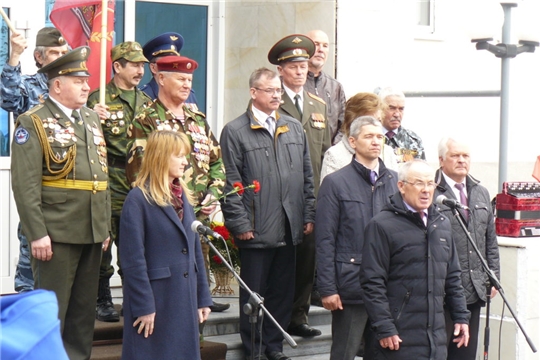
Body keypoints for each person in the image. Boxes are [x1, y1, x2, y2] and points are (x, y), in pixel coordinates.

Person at [11, 46, 111, 360]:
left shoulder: (92, 119)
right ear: (57, 85)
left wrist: (104, 226)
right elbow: (25, 185)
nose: (86, 86)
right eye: (79, 80)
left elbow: (101, 177)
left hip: (92, 229)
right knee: (52, 312)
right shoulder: (34, 122)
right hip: (56, 233)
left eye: (87, 80)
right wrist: (37, 232)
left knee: (83, 315)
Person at [219, 67, 316, 360]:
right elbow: (230, 182)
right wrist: (239, 223)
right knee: (254, 295)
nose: (276, 96)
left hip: (289, 225)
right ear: (253, 93)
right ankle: (254, 350)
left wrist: (307, 214)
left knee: (282, 293)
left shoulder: (293, 127)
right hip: (255, 226)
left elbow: (306, 176)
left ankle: (274, 347)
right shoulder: (235, 131)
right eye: (270, 90)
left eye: (278, 90)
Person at [126, 55, 229, 313]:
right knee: (168, 298)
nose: (187, 85)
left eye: (190, 80)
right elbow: (140, 170)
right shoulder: (146, 119)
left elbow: (217, 163)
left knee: (196, 295)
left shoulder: (197, 117)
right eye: (181, 79)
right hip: (163, 219)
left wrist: (212, 195)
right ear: (161, 78)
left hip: (195, 217)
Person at [361, 160, 470, 360]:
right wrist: (385, 327)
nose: (426, 190)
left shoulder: (442, 224)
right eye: (419, 183)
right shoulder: (381, 226)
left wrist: (461, 317)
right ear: (401, 186)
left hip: (435, 339)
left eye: (430, 184)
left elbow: (453, 277)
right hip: (398, 337)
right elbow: (372, 282)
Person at [119, 130, 212, 360]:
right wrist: (143, 305)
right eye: (178, 156)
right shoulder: (138, 199)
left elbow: (194, 251)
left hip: (184, 298)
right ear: (160, 157)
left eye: (185, 156)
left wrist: (203, 296)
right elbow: (132, 259)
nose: (185, 162)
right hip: (156, 301)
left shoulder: (183, 197)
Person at [315, 116, 398, 360]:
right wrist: (328, 288)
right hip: (351, 284)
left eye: (379, 137)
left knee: (382, 352)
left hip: (388, 284)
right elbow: (325, 239)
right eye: (368, 136)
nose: (375, 142)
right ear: (352, 141)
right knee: (345, 352)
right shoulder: (335, 183)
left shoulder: (395, 182)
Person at [268, 33, 330, 338]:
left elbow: (325, 151)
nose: (300, 70)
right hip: (279, 196)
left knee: (307, 258)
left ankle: (298, 315)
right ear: (281, 70)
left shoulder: (318, 105)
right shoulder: (271, 103)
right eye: (293, 66)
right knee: (281, 262)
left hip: (311, 195)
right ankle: (276, 318)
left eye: (304, 65)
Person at [87, 41, 153, 322]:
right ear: (117, 66)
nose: (140, 70)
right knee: (105, 240)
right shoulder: (98, 99)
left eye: (142, 65)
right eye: (135, 64)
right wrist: (91, 116)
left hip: (139, 182)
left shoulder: (148, 102)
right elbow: (86, 140)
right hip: (109, 178)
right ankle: (102, 299)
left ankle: (134, 297)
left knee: (135, 243)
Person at [1, 27, 69, 293]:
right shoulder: (31, 87)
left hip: (70, 191)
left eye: (65, 52)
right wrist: (15, 55)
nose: (61, 57)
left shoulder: (77, 89)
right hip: (40, 187)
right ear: (39, 57)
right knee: (34, 259)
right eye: (54, 53)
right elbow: (8, 96)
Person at [434, 137, 500, 360]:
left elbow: (489, 239)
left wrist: (493, 275)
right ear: (442, 160)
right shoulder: (432, 192)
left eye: (465, 156)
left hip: (473, 288)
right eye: (455, 156)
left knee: (465, 354)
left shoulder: (480, 191)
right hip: (440, 291)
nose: (461, 160)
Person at [321, 92, 398, 181]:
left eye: (378, 120)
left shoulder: (388, 153)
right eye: (368, 121)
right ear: (352, 122)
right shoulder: (334, 155)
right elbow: (330, 192)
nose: (374, 126)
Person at [304, 29, 346, 145]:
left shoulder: (336, 87)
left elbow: (344, 126)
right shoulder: (291, 83)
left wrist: (332, 151)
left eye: (325, 46)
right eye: (316, 44)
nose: (321, 50)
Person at [140, 32, 198, 104]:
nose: (172, 67)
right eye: (166, 63)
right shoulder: (142, 95)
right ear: (153, 68)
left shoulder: (188, 94)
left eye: (175, 63)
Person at [377, 87, 425, 163]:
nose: (397, 114)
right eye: (392, 108)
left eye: (401, 109)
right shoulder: (370, 138)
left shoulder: (413, 140)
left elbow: (422, 171)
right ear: (380, 109)